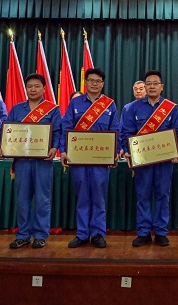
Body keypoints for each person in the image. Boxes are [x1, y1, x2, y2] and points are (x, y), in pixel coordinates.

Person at [0, 74, 61, 249]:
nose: (33, 89)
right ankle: (23, 235)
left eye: (37, 86)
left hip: (43, 162)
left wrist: (54, 148)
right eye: (30, 86)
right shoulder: (17, 109)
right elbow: (7, 130)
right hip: (22, 161)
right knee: (22, 200)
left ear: (44, 88)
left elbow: (57, 132)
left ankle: (40, 235)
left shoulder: (52, 110)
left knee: (42, 199)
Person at [119, 70, 178, 247]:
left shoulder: (171, 108)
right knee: (143, 195)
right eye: (149, 83)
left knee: (163, 195)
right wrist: (127, 150)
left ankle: (161, 231)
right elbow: (126, 132)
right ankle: (144, 232)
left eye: (156, 83)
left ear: (162, 87)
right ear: (145, 87)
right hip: (142, 161)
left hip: (164, 161)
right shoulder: (132, 108)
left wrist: (176, 150)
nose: (152, 86)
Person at [60, 68, 119, 248]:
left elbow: (115, 130)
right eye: (91, 80)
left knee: (99, 197)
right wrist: (63, 150)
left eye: (98, 81)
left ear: (102, 83)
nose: (94, 84)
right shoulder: (75, 103)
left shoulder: (109, 105)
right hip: (79, 158)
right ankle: (82, 234)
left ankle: (98, 233)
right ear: (85, 82)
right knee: (83, 196)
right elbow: (66, 128)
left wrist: (115, 152)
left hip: (101, 159)